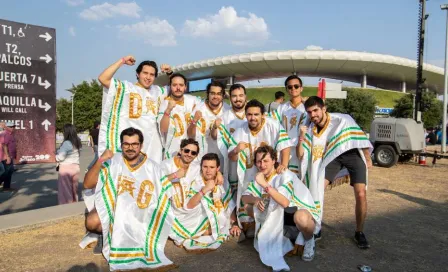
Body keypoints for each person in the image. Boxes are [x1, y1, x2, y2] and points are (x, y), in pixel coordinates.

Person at [83, 127, 175, 271]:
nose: (130, 148)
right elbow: (88, 184)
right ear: (121, 145)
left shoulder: (153, 167)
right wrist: (101, 159)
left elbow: (166, 191)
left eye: (134, 144)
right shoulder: (112, 160)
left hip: (139, 212)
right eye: (126, 144)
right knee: (92, 221)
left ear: (141, 146)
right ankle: (104, 234)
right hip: (114, 209)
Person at [297, 96, 373, 249]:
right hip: (333, 156)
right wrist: (301, 136)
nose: (313, 115)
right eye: (309, 112)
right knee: (316, 188)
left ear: (324, 108)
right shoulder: (309, 126)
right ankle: (316, 226)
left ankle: (359, 232)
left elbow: (359, 137)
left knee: (361, 193)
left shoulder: (343, 119)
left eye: (316, 110)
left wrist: (367, 157)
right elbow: (303, 151)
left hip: (352, 154)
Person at [241, 146, 320, 270]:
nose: (262, 165)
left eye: (265, 161)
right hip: (282, 217)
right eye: (258, 161)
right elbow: (244, 198)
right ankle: (283, 233)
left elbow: (284, 202)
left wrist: (265, 185)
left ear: (274, 160)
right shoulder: (260, 176)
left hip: (298, 213)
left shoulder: (284, 175)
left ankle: (309, 239)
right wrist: (255, 200)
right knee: (248, 207)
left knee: (301, 218)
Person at [227, 99, 293, 238]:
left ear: (263, 114)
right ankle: (255, 225)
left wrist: (284, 165)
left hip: (270, 172)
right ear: (245, 115)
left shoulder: (272, 125)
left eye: (256, 114)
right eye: (249, 114)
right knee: (250, 201)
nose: (253, 117)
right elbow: (231, 157)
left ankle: (278, 227)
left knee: (273, 200)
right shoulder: (240, 131)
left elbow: (285, 145)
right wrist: (236, 150)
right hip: (249, 174)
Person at [97, 55, 172, 163]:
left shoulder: (158, 91)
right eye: (145, 73)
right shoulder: (127, 88)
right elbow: (103, 78)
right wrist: (122, 61)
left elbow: (176, 87)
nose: (148, 77)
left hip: (152, 148)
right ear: (138, 74)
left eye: (152, 74)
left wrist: (170, 73)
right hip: (131, 146)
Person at [171, 153, 233, 251]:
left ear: (218, 168)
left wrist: (235, 225)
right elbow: (189, 205)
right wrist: (204, 190)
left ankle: (206, 230)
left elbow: (228, 203)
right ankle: (201, 231)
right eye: (205, 167)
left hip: (210, 218)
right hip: (193, 217)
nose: (208, 171)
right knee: (203, 205)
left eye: (212, 167)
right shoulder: (197, 181)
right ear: (201, 167)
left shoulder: (222, 182)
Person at [268, 75, 308, 176]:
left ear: (301, 88)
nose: (293, 89)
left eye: (296, 86)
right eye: (290, 87)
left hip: (303, 149)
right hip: (286, 151)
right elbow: (269, 121)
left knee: (303, 181)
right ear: (286, 89)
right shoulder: (281, 108)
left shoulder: (308, 108)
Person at [158, 73, 201, 159]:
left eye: (181, 85)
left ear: (185, 87)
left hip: (191, 152)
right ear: (170, 87)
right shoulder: (165, 103)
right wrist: (168, 110)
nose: (178, 88)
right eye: (174, 85)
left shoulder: (193, 101)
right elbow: (163, 129)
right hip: (172, 152)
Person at [187, 81, 230, 159]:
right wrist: (194, 121)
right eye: (212, 93)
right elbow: (190, 135)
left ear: (223, 95)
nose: (215, 96)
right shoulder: (199, 109)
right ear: (207, 94)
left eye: (219, 94)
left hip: (222, 157)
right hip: (201, 156)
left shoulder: (228, 110)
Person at [56, 124, 81, 203]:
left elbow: (61, 157)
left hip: (66, 169)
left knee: (66, 192)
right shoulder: (77, 142)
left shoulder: (67, 143)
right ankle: (74, 205)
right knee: (74, 190)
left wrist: (54, 156)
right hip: (76, 167)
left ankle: (67, 208)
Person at [0, 121, 17, 192]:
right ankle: (5, 186)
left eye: (13, 126)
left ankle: (6, 187)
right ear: (6, 127)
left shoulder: (11, 134)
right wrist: (7, 157)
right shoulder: (5, 134)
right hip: (5, 156)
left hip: (10, 156)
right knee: (6, 172)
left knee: (10, 171)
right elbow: (4, 145)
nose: (13, 128)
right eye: (11, 126)